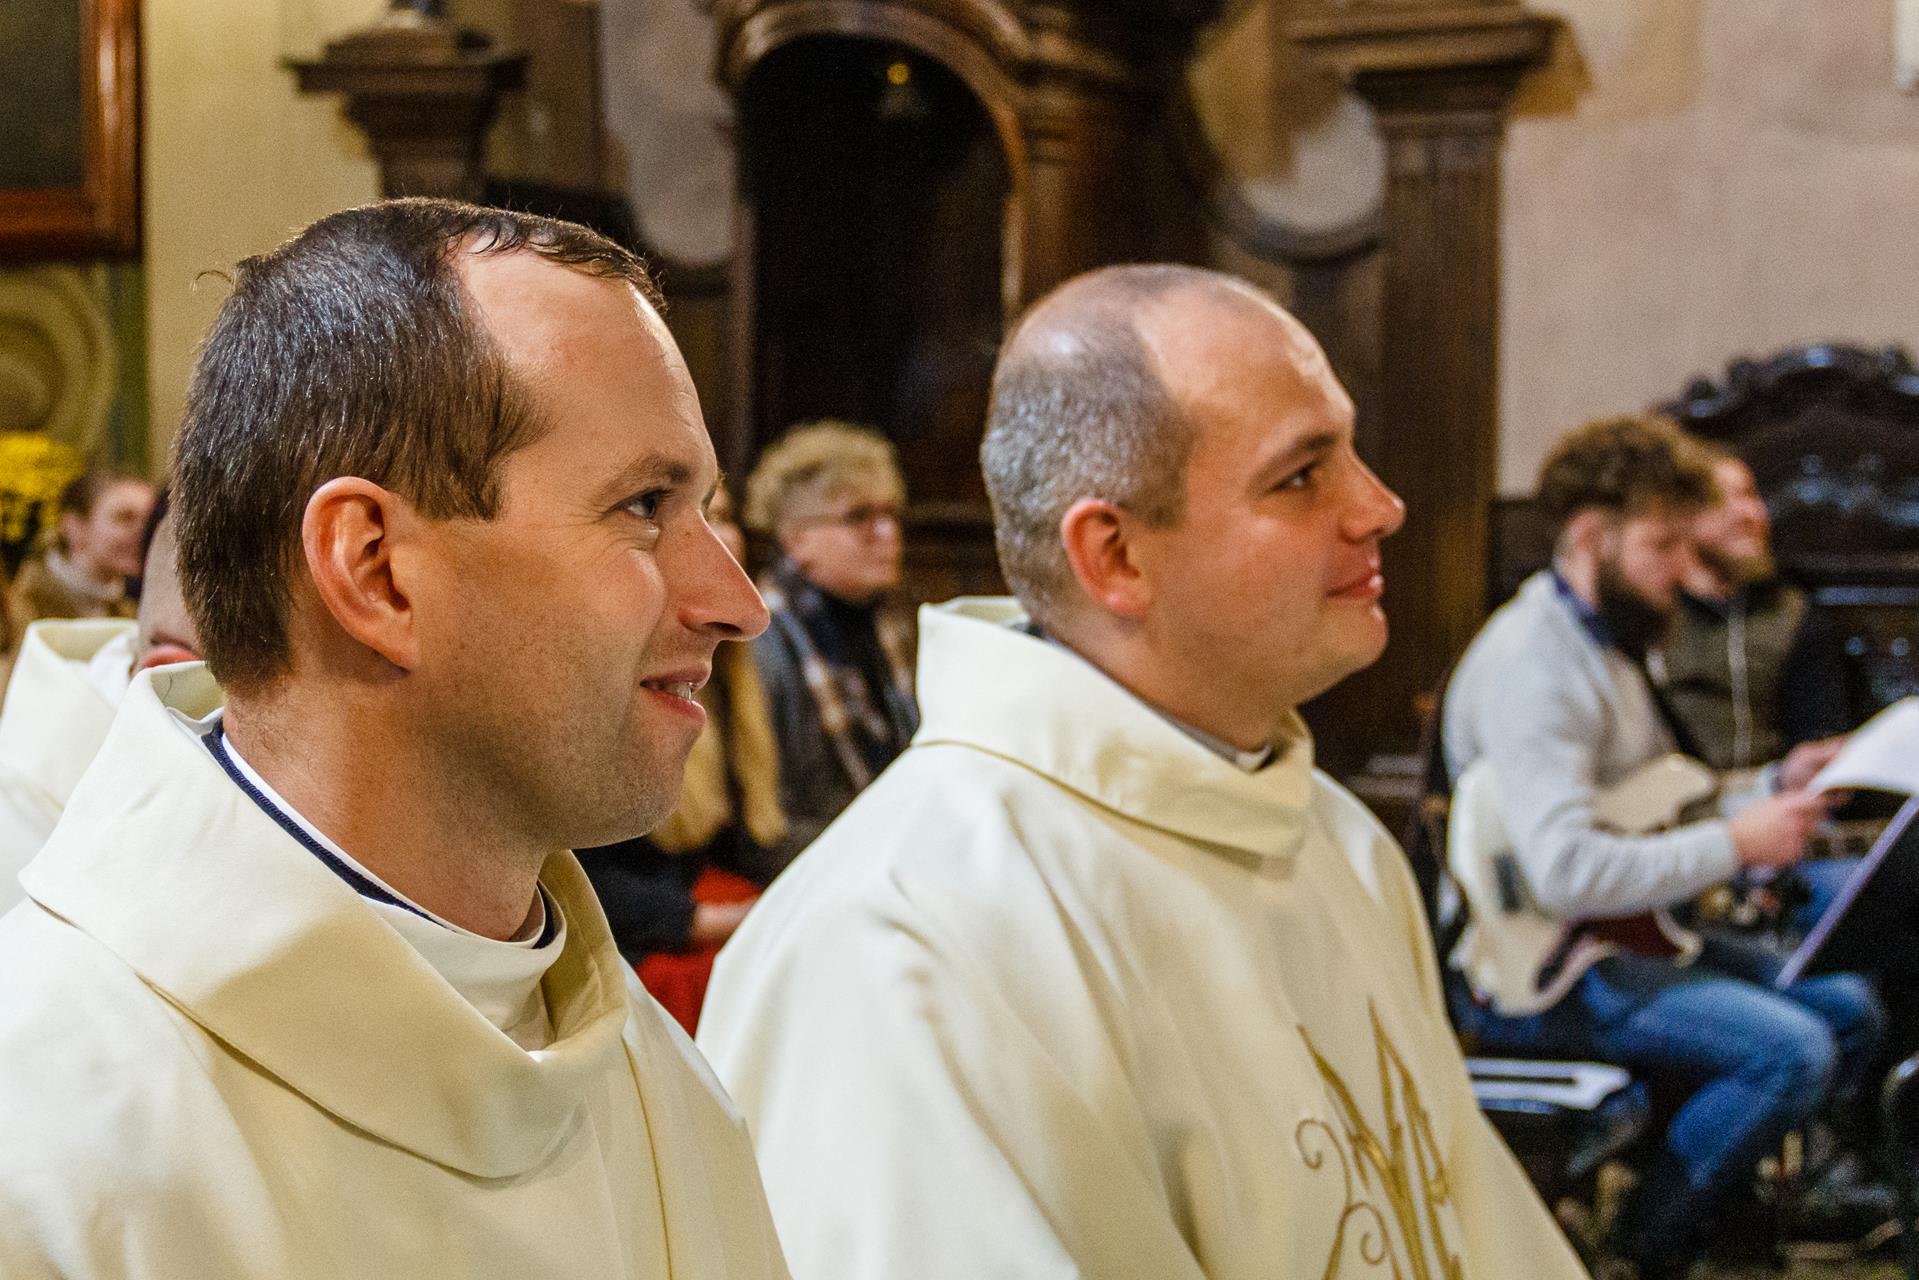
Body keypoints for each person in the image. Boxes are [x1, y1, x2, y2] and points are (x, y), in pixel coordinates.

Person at [698, 264, 1589, 1280]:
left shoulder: (1336, 839)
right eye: (1301, 476)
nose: (1379, 506)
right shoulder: (903, 936)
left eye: (1350, 452)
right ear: (1115, 554)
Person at [0, 200, 788, 1279]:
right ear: (374, 571)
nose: (739, 604)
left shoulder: (649, 1073)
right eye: (645, 505)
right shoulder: (44, 1134)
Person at [1442, 414, 1886, 1278]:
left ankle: (1720, 1208)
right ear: (1588, 536)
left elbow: (1649, 799)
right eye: (1660, 547)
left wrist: (1772, 784)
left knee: (1845, 1005)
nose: (1680, 572)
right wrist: (1735, 842)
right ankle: (1640, 1248)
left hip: (1614, 935)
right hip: (1538, 972)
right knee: (1790, 1051)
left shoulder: (1606, 641)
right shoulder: (1536, 667)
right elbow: (1566, 871)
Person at [577, 483, 789, 1032]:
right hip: (639, 933)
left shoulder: (740, 673)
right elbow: (579, 875)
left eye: (722, 514)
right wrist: (716, 918)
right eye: (654, 510)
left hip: (697, 897)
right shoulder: (608, 667)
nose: (751, 615)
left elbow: (751, 838)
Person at [0, 491, 200, 911]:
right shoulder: (32, 604)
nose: (135, 532)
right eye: (122, 517)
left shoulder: (126, 614)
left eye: (141, 519)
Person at [743, 421, 916, 848]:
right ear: (796, 539)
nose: (887, 533)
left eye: (890, 513)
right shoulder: (760, 638)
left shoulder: (887, 624)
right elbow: (765, 820)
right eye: (859, 517)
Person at [1653, 447, 1851, 771]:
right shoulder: (1648, 610)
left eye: (1749, 495)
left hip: (1772, 792)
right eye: (1720, 499)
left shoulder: (1793, 612)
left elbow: (1819, 731)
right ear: (1679, 516)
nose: (1749, 514)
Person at [8, 468, 154, 636]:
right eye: (125, 518)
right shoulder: (21, 611)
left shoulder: (132, 612)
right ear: (74, 526)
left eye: (148, 521)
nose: (143, 533)